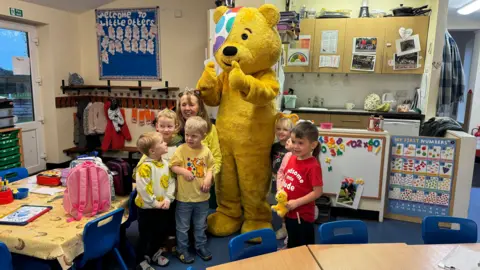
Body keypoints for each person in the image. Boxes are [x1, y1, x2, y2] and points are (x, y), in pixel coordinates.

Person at [133, 109, 183, 251]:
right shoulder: (148, 154)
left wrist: (168, 198)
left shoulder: (177, 147)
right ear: (157, 126)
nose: (166, 130)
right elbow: (141, 180)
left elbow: (171, 178)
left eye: (169, 126)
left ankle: (161, 247)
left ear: (176, 127)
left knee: (165, 224)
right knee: (147, 231)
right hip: (150, 202)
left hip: (167, 196)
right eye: (162, 126)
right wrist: (154, 201)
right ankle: (144, 257)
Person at [170, 116, 215, 264]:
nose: (189, 138)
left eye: (194, 136)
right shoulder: (181, 150)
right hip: (184, 198)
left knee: (200, 224)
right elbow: (173, 166)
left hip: (202, 198)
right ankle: (182, 249)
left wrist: (208, 178)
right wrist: (183, 171)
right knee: (182, 227)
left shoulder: (206, 151)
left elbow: (211, 167)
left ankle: (200, 246)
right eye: (187, 135)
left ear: (203, 136)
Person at [134, 132, 176, 269]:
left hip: (162, 207)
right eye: (162, 142)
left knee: (160, 232)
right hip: (147, 209)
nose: (165, 144)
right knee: (145, 235)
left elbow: (171, 181)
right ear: (152, 150)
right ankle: (141, 260)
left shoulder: (165, 163)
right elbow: (144, 189)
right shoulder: (145, 167)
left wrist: (168, 199)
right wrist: (155, 203)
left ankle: (154, 253)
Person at [176, 89, 221, 208]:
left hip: (202, 186)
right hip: (180, 189)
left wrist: (210, 178)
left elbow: (216, 158)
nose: (187, 108)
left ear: (199, 107)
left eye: (191, 104)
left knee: (201, 221)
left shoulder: (210, 129)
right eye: (183, 104)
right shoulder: (174, 128)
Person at [283, 122, 323, 248]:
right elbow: (288, 178)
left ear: (313, 145)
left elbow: (318, 192)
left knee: (303, 250)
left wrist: (297, 202)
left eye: (300, 143)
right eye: (294, 142)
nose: (295, 146)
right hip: (289, 212)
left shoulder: (313, 166)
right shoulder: (291, 158)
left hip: (302, 216)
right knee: (292, 245)